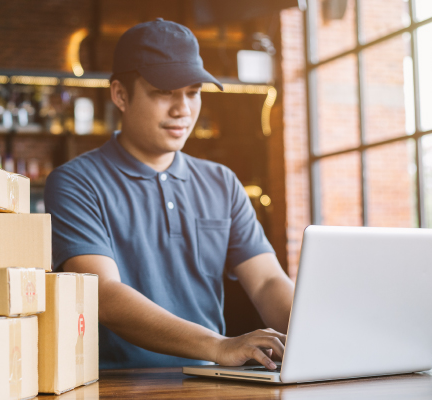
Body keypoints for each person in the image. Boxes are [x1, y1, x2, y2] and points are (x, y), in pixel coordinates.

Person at [44, 18, 294, 370]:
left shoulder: (222, 182)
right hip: (116, 387)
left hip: (209, 384)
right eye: (164, 92)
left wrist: (317, 333)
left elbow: (268, 281)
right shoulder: (76, 182)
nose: (183, 109)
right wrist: (219, 346)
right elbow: (103, 295)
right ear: (120, 94)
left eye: (193, 92)